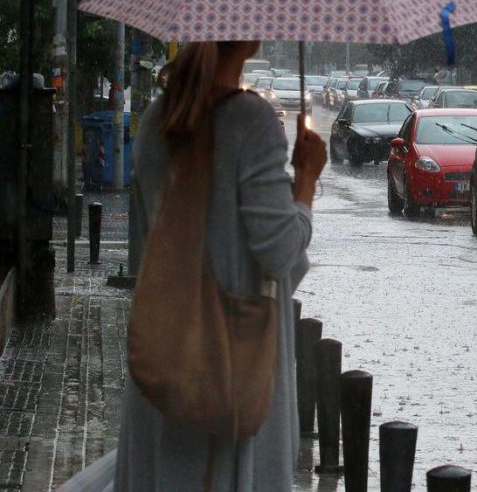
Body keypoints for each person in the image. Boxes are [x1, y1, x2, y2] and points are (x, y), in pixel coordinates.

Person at [114, 40, 327, 491]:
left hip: (164, 361)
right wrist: (306, 180)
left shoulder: (159, 117)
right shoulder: (250, 120)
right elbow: (280, 253)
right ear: (246, 36)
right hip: (227, 368)